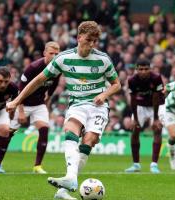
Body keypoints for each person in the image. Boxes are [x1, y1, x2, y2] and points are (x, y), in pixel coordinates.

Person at [6, 21, 121, 200]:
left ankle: (63, 190)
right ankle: (70, 178)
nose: (91, 45)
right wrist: (17, 101)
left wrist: (104, 94)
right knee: (70, 130)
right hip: (77, 104)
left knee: (89, 141)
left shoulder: (103, 59)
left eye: (94, 41)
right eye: (88, 40)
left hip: (98, 107)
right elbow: (37, 81)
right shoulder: (63, 58)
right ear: (79, 37)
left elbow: (117, 85)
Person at [9, 41, 60, 174]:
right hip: (23, 103)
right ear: (44, 53)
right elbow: (20, 90)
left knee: (44, 129)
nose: (54, 56)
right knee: (7, 133)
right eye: (51, 53)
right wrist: (20, 111)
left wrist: (47, 100)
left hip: (39, 105)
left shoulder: (57, 69)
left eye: (57, 54)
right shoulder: (33, 68)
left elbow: (53, 85)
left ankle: (37, 166)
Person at [124, 59, 164, 174]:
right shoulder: (132, 80)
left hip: (157, 105)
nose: (143, 71)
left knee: (157, 129)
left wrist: (156, 119)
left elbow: (156, 98)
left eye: (146, 69)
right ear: (136, 70)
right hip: (140, 106)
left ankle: (154, 164)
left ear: (150, 69)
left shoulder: (156, 78)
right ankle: (136, 164)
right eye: (140, 69)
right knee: (135, 131)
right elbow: (133, 100)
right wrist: (135, 119)